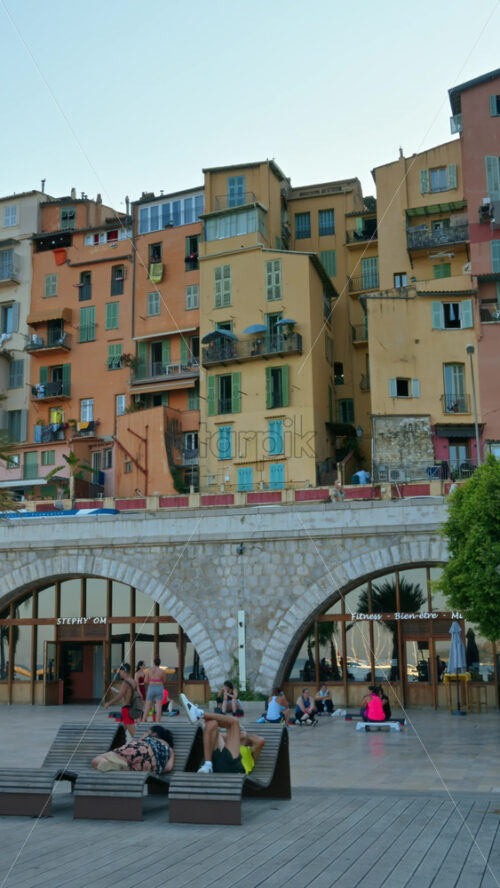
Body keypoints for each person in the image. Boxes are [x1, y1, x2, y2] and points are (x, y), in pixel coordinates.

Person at [180, 693, 265, 775]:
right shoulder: (228, 743)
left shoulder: (250, 751)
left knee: (234, 722)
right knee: (212, 724)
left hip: (235, 769)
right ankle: (207, 765)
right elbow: (214, 736)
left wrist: (245, 736)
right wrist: (236, 736)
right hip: (217, 764)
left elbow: (260, 741)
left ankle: (199, 713)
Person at [91, 724, 175, 774]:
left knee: (96, 760)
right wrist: (172, 755)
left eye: (147, 732)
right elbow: (168, 768)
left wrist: (147, 734)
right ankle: (122, 767)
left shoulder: (150, 739)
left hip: (140, 749)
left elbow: (139, 741)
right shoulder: (168, 750)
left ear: (155, 734)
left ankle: (110, 763)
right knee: (129, 768)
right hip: (148, 765)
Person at [104, 663, 137, 736]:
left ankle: (141, 746)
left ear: (124, 671)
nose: (120, 673)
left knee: (134, 735)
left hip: (126, 709)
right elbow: (131, 694)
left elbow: (119, 696)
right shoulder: (133, 681)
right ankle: (118, 745)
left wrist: (109, 703)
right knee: (120, 733)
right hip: (130, 708)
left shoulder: (125, 682)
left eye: (120, 671)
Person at [142, 657, 165, 724]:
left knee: (148, 706)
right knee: (158, 707)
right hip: (159, 687)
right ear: (159, 663)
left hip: (151, 687)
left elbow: (145, 680)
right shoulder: (162, 671)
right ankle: (157, 721)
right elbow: (164, 680)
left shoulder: (149, 670)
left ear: (154, 663)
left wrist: (151, 682)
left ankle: (144, 720)